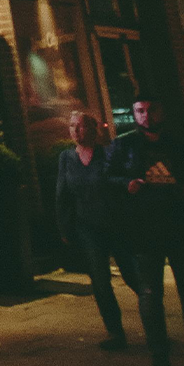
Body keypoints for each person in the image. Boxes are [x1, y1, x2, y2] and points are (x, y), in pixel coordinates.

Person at [105, 94, 184, 366]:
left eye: (151, 110)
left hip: (181, 228)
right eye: (139, 111)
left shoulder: (179, 146)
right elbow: (106, 180)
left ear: (162, 112)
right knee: (149, 293)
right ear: (134, 114)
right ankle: (160, 356)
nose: (145, 115)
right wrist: (126, 184)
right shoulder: (124, 145)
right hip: (144, 231)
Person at [55, 111, 133, 350]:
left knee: (132, 274)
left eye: (80, 126)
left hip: (114, 223)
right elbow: (62, 194)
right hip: (87, 227)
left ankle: (154, 321)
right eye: (72, 126)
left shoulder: (107, 154)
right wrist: (65, 228)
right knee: (100, 280)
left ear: (93, 129)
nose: (75, 131)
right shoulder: (66, 158)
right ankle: (114, 332)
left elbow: (120, 185)